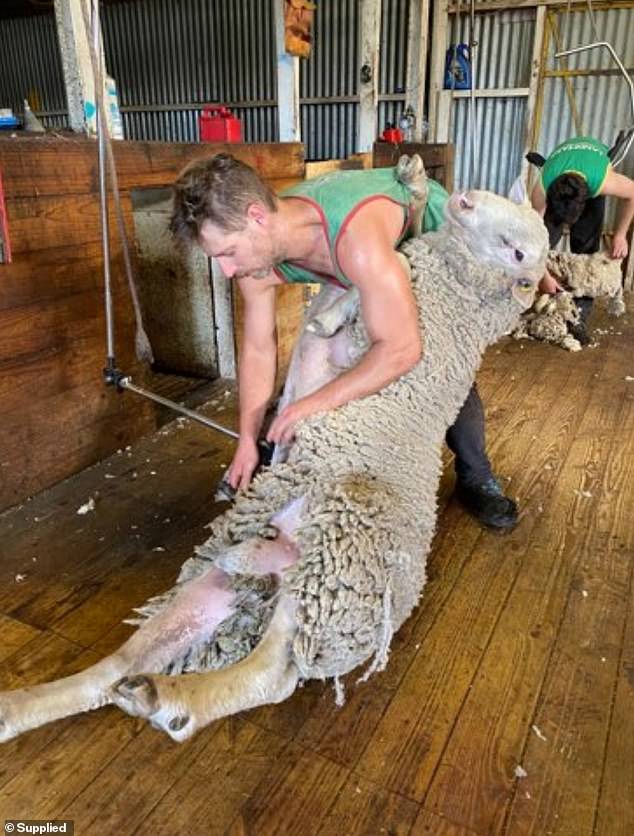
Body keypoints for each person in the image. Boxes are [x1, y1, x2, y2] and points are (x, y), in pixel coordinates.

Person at [170, 153, 518, 529]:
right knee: (349, 357)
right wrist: (245, 441)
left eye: (227, 253)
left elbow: (402, 349)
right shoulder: (258, 257)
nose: (227, 270)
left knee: (443, 368)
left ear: (256, 216)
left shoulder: (356, 239)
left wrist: (309, 406)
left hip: (427, 235)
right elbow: (257, 348)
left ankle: (475, 475)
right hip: (364, 263)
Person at [530, 136, 634, 343]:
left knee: (586, 247)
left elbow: (632, 194)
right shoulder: (541, 189)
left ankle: (577, 316)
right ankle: (540, 300)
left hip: (591, 172)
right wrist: (542, 275)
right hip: (560, 172)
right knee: (544, 240)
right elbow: (530, 241)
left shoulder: (602, 181)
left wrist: (620, 234)